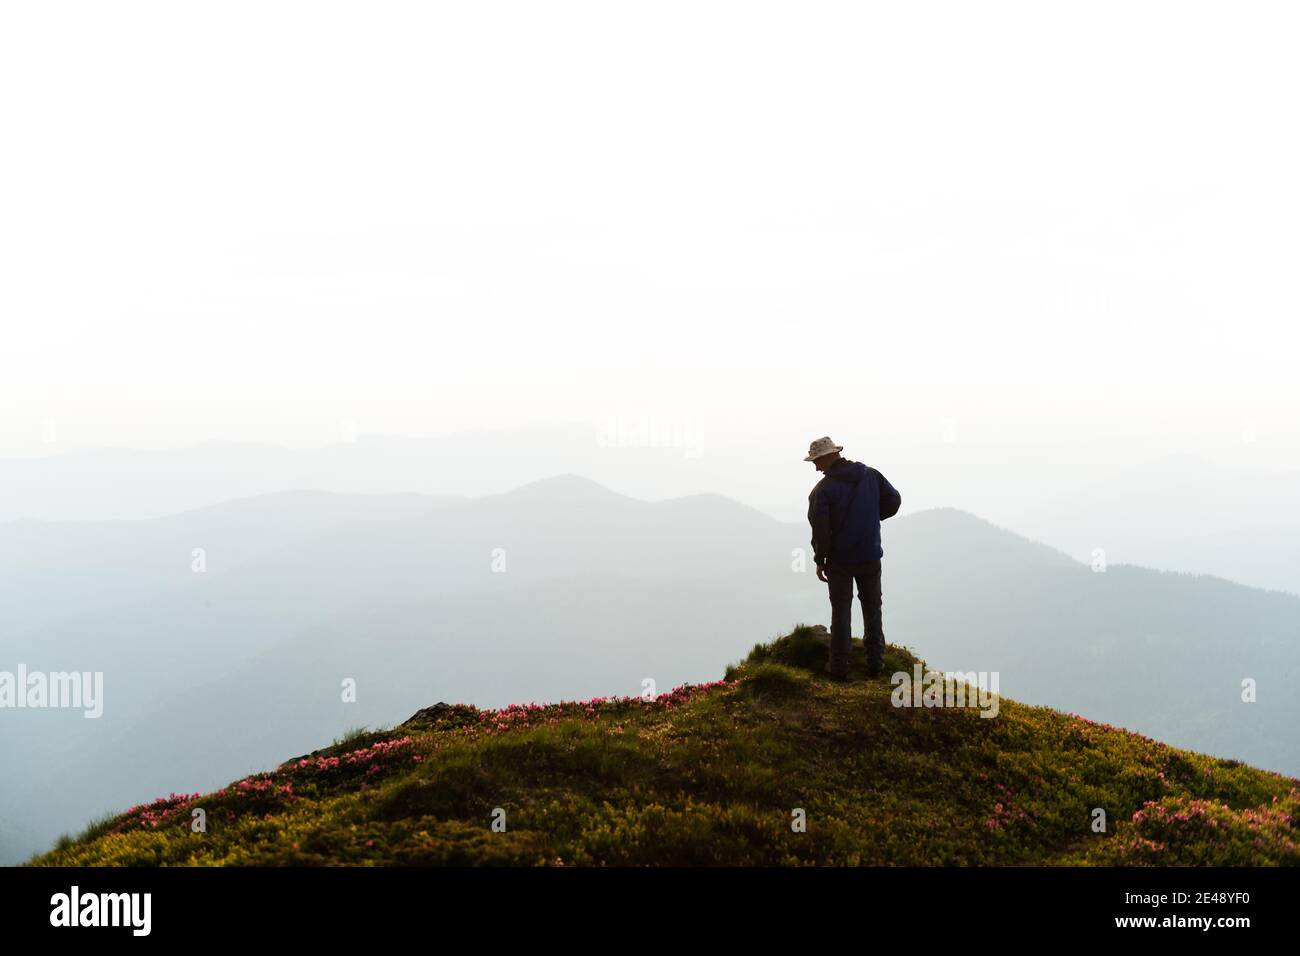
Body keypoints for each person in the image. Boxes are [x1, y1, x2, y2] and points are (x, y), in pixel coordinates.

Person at [804, 436, 901, 679]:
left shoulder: (822, 491)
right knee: (873, 609)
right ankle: (876, 665)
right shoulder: (871, 475)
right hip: (870, 555)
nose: (815, 467)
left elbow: (821, 531)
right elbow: (894, 501)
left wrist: (820, 560)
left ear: (828, 457)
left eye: (816, 461)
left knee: (841, 612)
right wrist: (870, 516)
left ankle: (838, 669)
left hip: (840, 562)